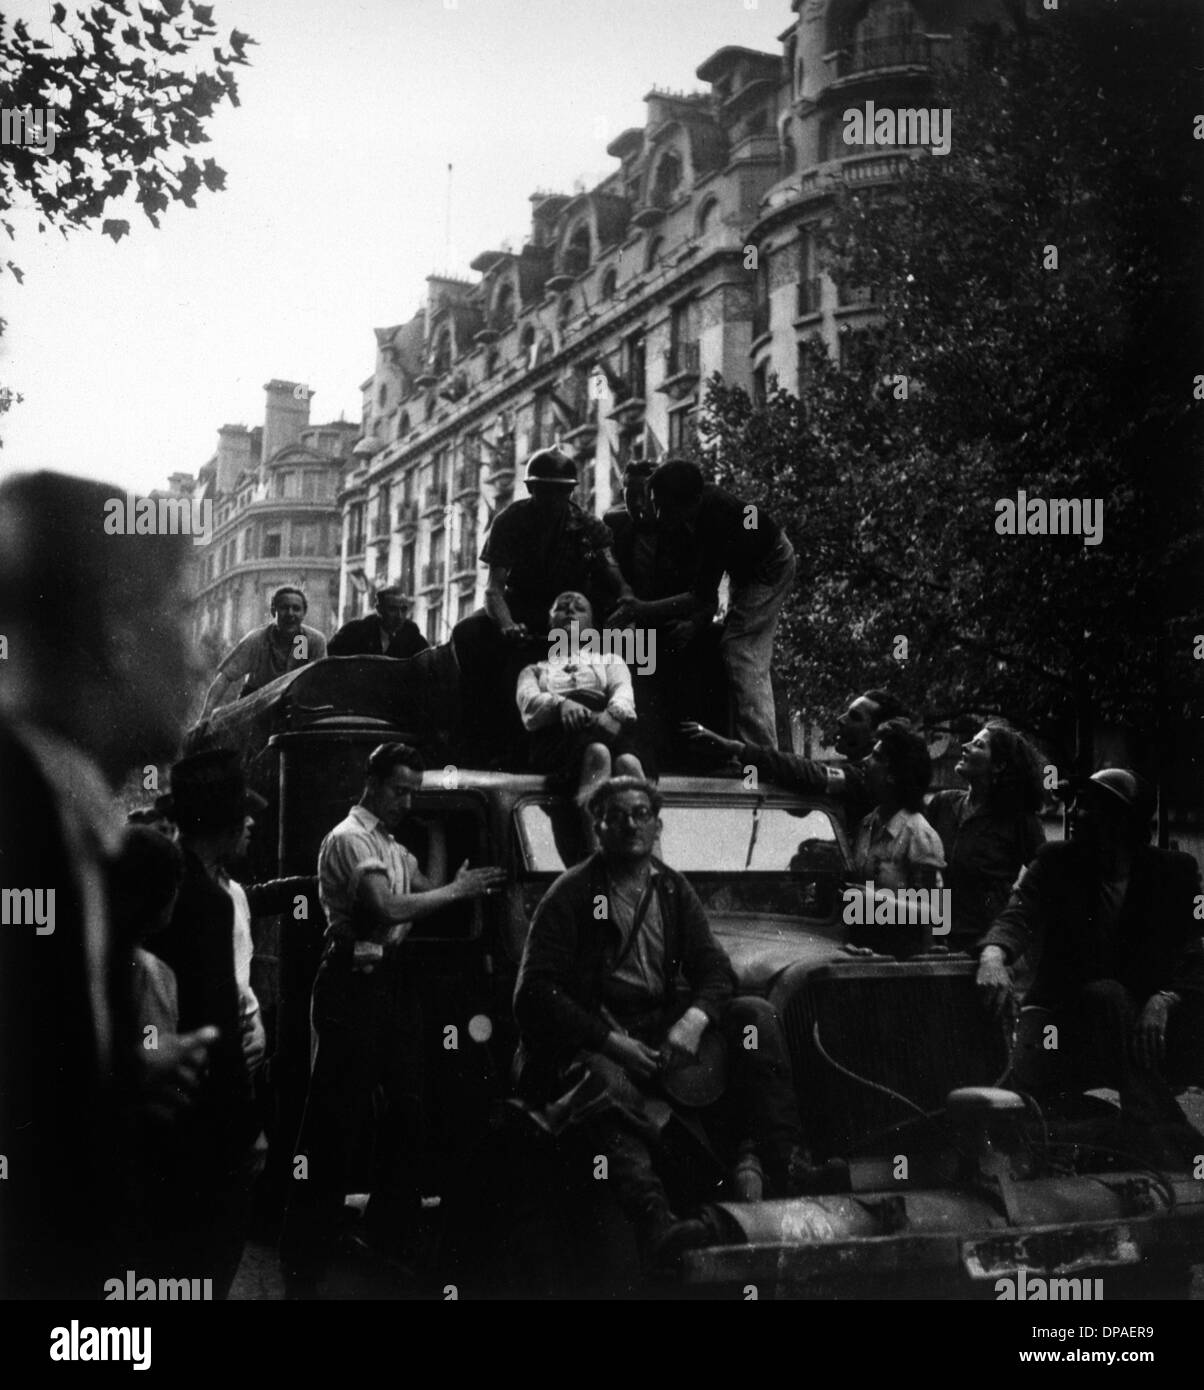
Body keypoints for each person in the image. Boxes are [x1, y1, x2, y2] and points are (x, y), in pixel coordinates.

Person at [0, 471, 212, 1300]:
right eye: (182, 616)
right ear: (114, 626)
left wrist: (107, 1081)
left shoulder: (61, 821)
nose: (199, 655)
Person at [513, 776, 808, 1272]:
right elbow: (535, 994)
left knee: (754, 1016)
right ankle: (656, 1222)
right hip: (590, 1041)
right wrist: (610, 1042)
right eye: (617, 816)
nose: (631, 824)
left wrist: (695, 1018)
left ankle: (788, 1165)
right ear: (597, 826)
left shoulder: (670, 888)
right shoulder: (572, 894)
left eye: (641, 814)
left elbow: (715, 969)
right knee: (603, 1084)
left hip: (661, 1033)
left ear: (656, 824)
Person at [280, 743, 507, 1293]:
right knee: (335, 1117)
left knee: (407, 1109)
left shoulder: (390, 844)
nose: (407, 800)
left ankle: (385, 1232)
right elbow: (386, 907)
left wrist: (435, 849)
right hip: (352, 984)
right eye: (400, 790)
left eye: (413, 792)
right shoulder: (351, 838)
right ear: (373, 783)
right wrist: (457, 890)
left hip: (391, 983)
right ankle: (306, 1248)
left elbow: (425, 890)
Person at [976, 768, 1204, 1162]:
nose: (1075, 814)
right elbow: (1019, 914)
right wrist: (994, 954)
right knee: (1106, 995)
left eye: (1089, 807)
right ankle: (1165, 1132)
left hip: (1147, 1025)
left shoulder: (1175, 872)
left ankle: (1143, 1128)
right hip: (1067, 1022)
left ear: (1122, 822)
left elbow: (1198, 946)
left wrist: (1164, 999)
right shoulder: (1055, 861)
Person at [144, 748, 270, 1297]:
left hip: (164, 1100)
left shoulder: (171, 880)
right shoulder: (209, 901)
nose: (250, 821)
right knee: (206, 1262)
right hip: (205, 1113)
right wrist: (247, 1130)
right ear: (220, 818)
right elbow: (216, 1026)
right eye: (241, 811)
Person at [452, 448, 635, 766]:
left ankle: (633, 737)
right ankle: (481, 742)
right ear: (531, 489)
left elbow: (613, 573)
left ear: (571, 491)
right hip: (522, 606)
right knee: (468, 633)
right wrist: (507, 624)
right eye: (546, 490)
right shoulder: (509, 521)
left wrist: (626, 611)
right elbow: (494, 589)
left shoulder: (588, 525)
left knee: (638, 645)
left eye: (562, 491)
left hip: (572, 609)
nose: (554, 498)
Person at [613, 458, 796, 748]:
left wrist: (641, 609)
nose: (658, 515)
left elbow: (702, 597)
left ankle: (762, 752)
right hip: (746, 565)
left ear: (693, 502)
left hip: (768, 567)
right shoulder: (692, 504)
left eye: (666, 508)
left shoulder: (715, 520)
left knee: (741, 651)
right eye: (655, 504)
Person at [604, 460, 728, 763]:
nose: (635, 504)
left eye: (643, 495)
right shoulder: (615, 527)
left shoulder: (690, 533)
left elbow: (706, 597)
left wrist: (695, 623)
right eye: (628, 494)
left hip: (674, 627)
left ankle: (703, 751)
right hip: (632, 632)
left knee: (709, 646)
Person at [685, 688, 909, 833]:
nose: (841, 720)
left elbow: (812, 774)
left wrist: (737, 748)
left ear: (875, 734)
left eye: (855, 717)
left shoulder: (863, 778)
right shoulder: (855, 775)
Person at [516, 590, 646, 806]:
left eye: (579, 608)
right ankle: (595, 838)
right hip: (559, 736)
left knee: (629, 763)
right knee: (598, 753)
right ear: (550, 623)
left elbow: (623, 691)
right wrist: (561, 704)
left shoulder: (608, 661)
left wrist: (612, 714)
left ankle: (641, 834)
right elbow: (529, 703)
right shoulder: (536, 670)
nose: (570, 610)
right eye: (562, 607)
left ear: (592, 627)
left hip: (607, 725)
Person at [925, 721, 1046, 951]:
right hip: (934, 942)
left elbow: (1044, 880)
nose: (964, 746)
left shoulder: (1019, 819)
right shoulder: (942, 803)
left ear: (998, 765)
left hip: (983, 947)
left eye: (978, 745)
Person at [847, 719, 946, 950]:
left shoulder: (920, 835)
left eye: (876, 757)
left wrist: (873, 901)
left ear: (893, 775)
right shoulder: (867, 824)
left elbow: (938, 915)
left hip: (902, 964)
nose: (865, 762)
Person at [201, 586, 327, 715]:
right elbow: (225, 677)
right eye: (284, 608)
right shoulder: (257, 640)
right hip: (256, 704)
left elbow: (319, 682)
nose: (290, 614)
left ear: (304, 613)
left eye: (296, 609)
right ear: (273, 611)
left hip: (295, 704)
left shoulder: (314, 641)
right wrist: (205, 716)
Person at [328, 584, 429, 660]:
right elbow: (329, 659)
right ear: (379, 609)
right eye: (392, 609)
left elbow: (429, 662)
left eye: (403, 609)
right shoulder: (354, 631)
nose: (399, 616)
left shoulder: (411, 634)